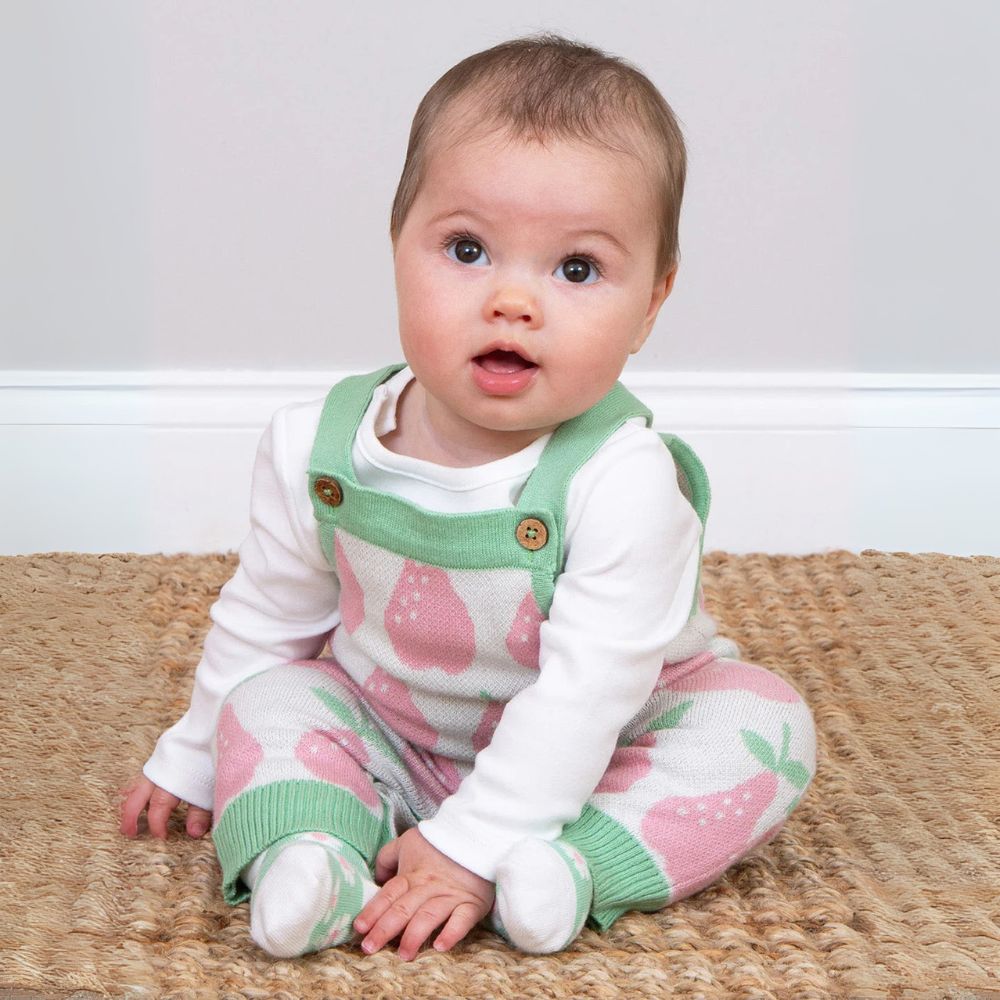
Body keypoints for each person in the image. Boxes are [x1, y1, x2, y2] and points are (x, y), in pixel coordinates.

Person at [120, 32, 817, 962]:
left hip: (607, 741)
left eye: (576, 269)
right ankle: (309, 853)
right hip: (390, 725)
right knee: (272, 696)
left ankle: (570, 867)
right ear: (398, 248)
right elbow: (269, 611)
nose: (513, 302)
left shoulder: (621, 478)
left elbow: (585, 693)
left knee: (764, 725)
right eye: (466, 249)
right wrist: (197, 747)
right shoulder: (316, 446)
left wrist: (471, 847)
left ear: (651, 304)